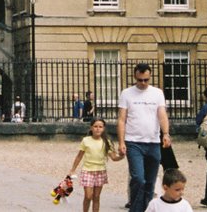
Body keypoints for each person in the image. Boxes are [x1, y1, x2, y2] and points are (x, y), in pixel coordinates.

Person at [117, 63, 171, 212]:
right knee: (138, 179)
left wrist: (165, 133)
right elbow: (122, 119)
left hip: (153, 142)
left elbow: (162, 115)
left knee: (150, 182)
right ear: (135, 77)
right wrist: (121, 142)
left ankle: (146, 209)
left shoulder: (157, 93)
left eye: (146, 80)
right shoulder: (126, 93)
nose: (143, 83)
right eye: (140, 80)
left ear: (150, 77)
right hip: (133, 142)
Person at [67, 118, 123, 212]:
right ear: (91, 128)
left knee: (96, 197)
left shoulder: (106, 142)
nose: (98, 129)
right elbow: (79, 156)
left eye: (100, 127)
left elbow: (113, 157)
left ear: (104, 128)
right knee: (88, 196)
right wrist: (72, 169)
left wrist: (122, 156)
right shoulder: (86, 140)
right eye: (95, 126)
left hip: (100, 171)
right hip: (87, 171)